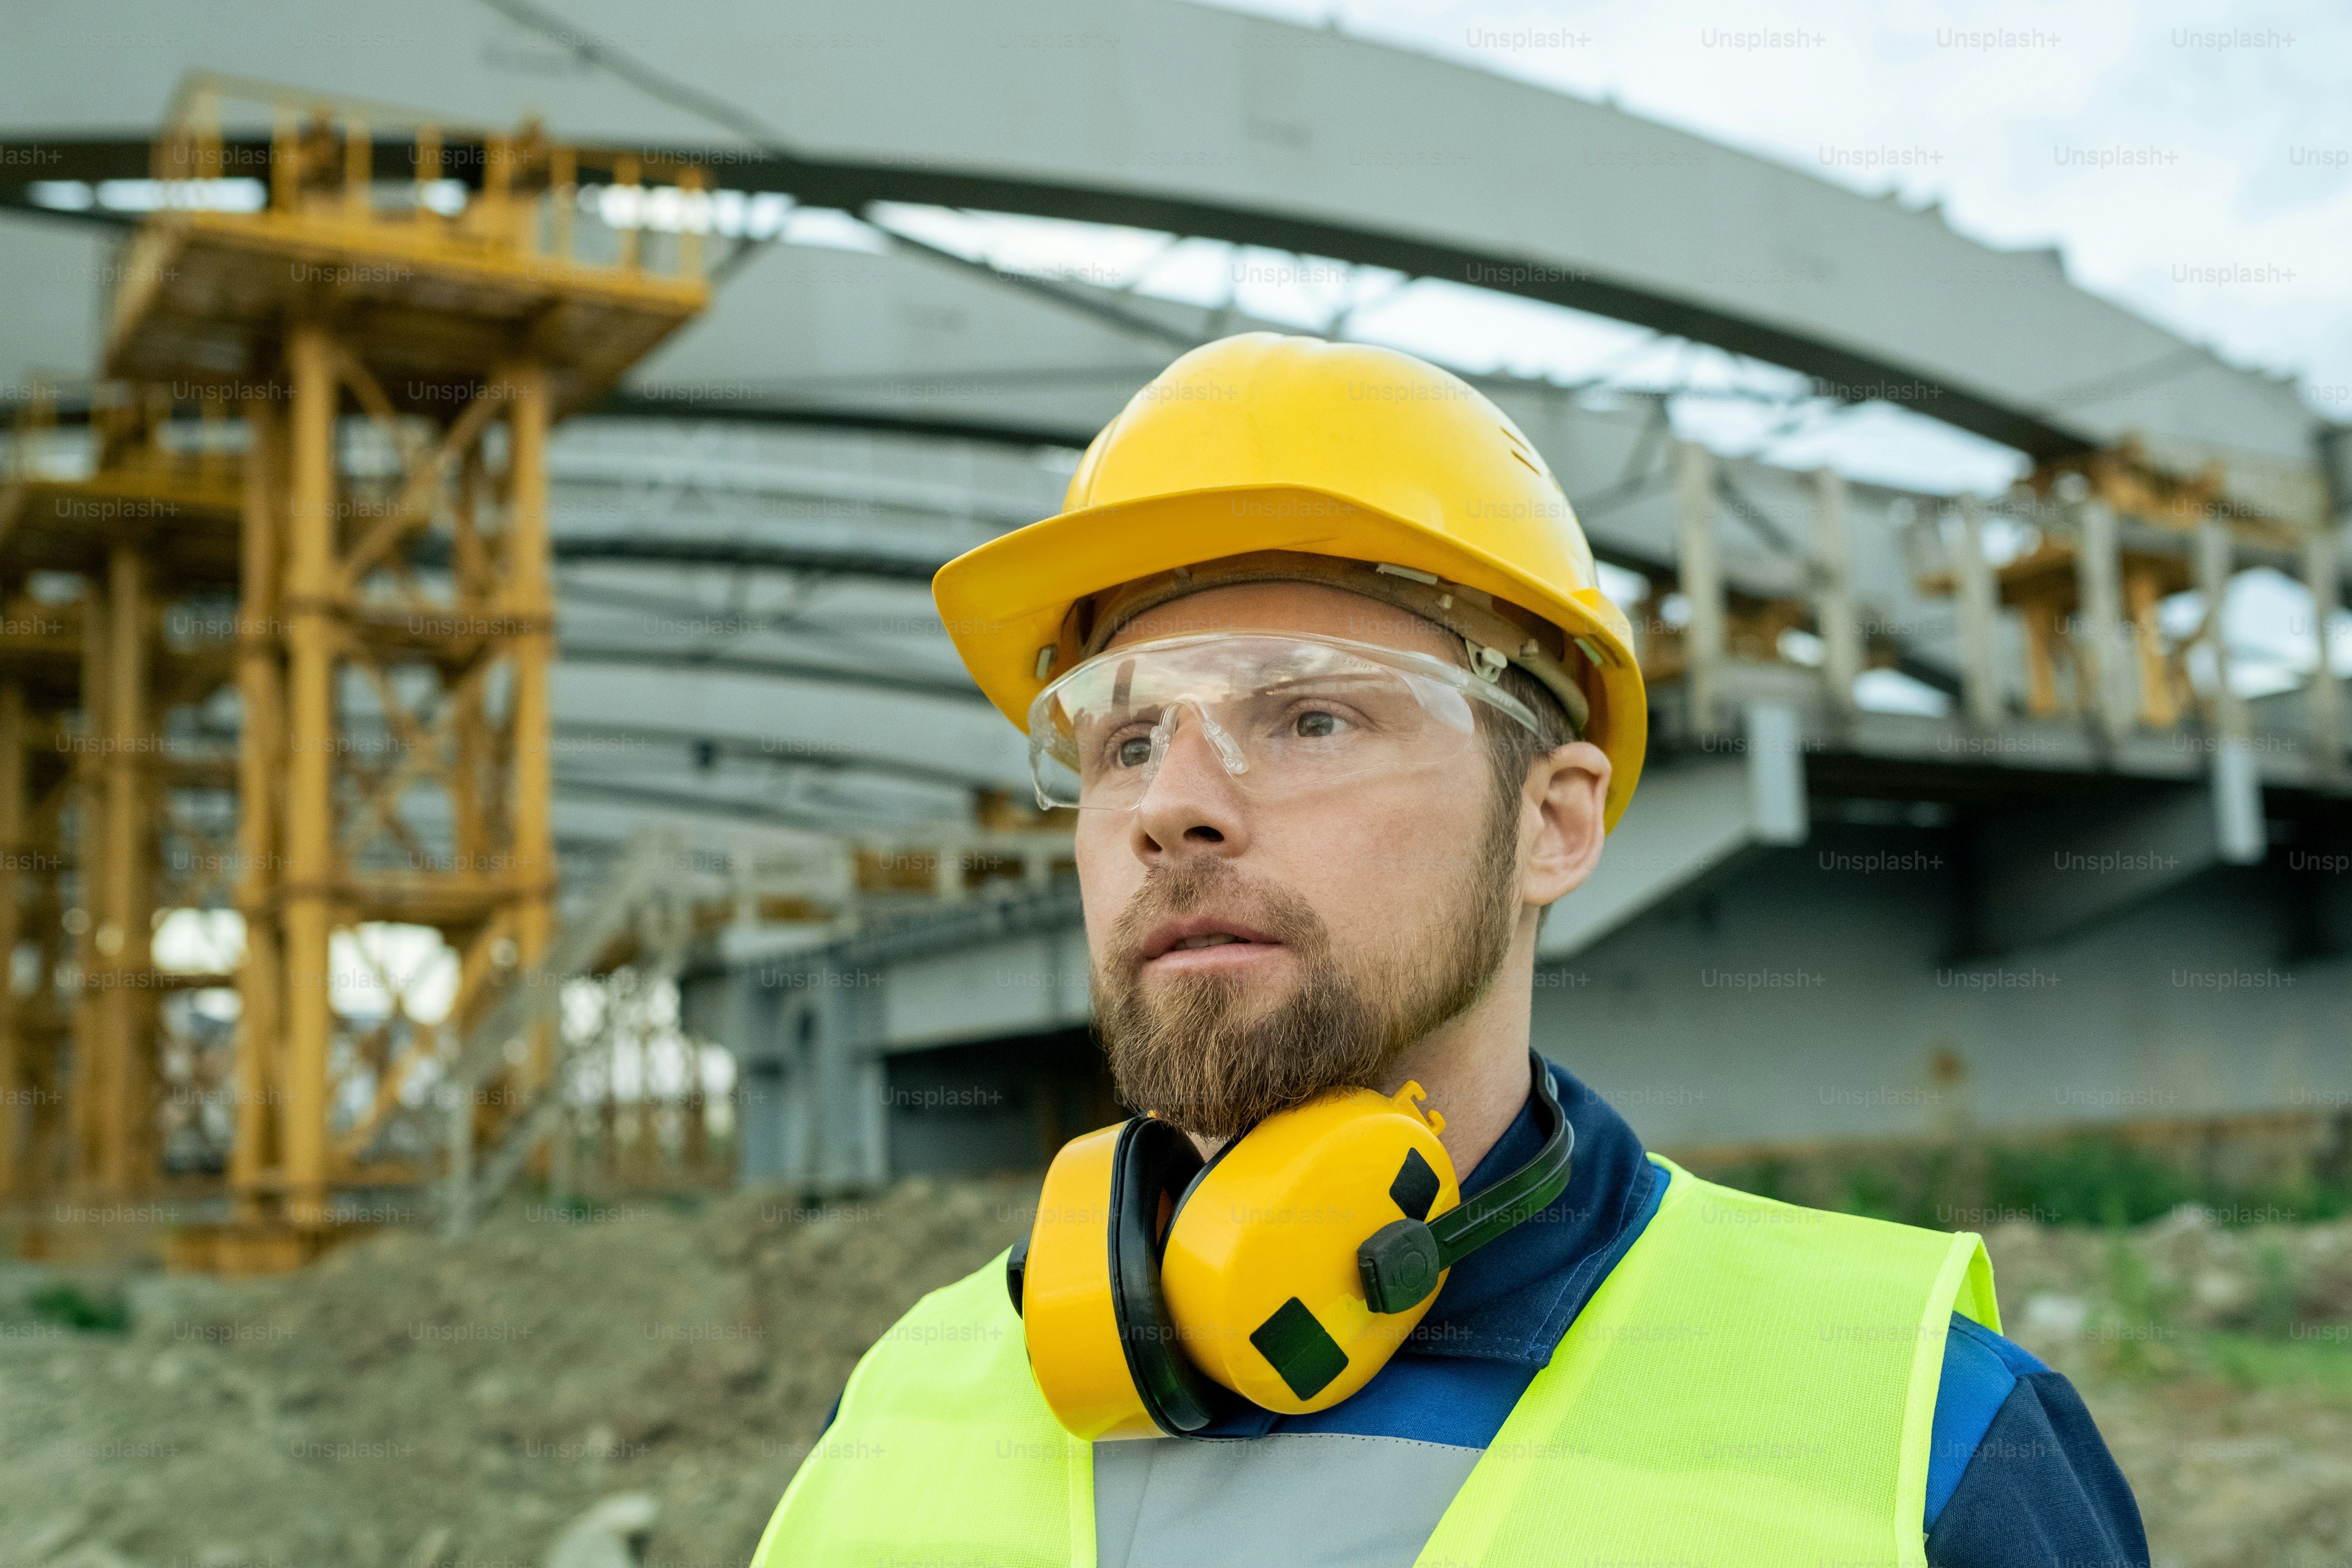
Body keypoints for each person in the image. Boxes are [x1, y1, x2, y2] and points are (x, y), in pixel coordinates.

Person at [749, 333, 2149, 1568]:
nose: (1170, 802)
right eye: (1124, 737)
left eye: (1310, 719)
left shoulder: (1926, 1441)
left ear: (1552, 821)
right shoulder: (893, 1407)